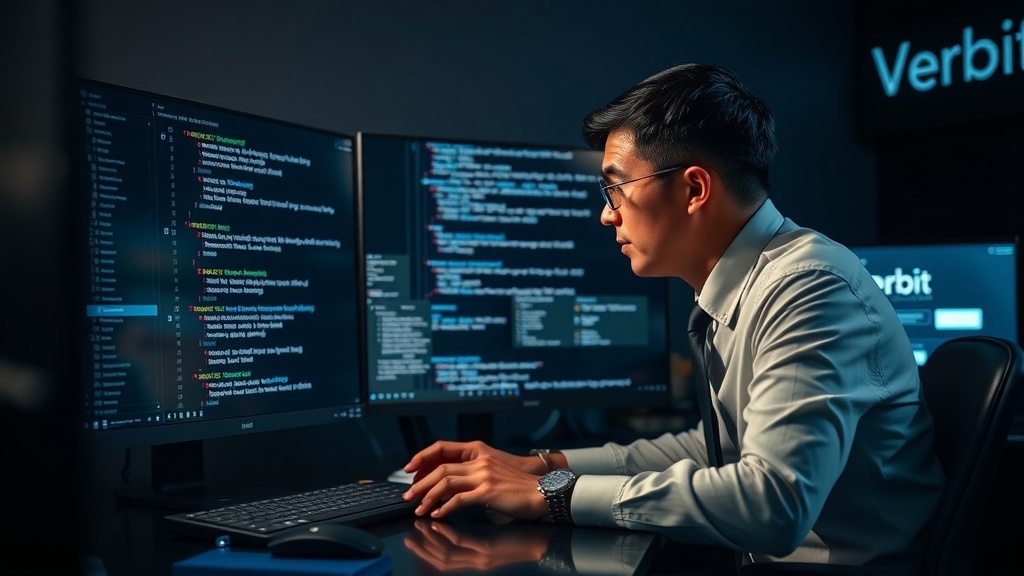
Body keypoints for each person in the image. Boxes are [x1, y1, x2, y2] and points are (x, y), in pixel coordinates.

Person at [401, 63, 945, 572]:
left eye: (616, 187)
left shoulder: (807, 287)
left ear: (693, 189)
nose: (606, 213)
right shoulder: (750, 282)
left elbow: (773, 504)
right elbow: (716, 450)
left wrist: (553, 495)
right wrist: (541, 467)